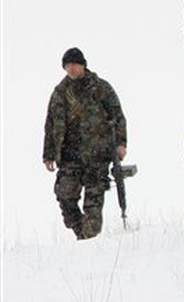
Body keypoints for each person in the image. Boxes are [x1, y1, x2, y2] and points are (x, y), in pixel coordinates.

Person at [43, 48, 127, 240]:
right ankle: (82, 235)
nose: (71, 68)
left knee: (93, 206)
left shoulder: (100, 88)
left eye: (75, 64)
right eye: (67, 65)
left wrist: (121, 144)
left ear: (83, 65)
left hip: (97, 155)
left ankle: (88, 241)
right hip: (69, 156)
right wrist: (48, 154)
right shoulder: (60, 93)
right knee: (65, 197)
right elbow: (50, 124)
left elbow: (118, 117)